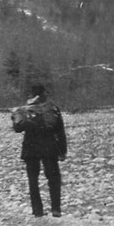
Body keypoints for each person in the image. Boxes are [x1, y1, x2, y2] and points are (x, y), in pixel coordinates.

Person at [13, 84, 67, 218]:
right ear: (44, 94)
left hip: (31, 148)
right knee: (54, 178)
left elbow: (17, 129)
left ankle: (37, 210)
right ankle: (56, 209)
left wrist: (16, 118)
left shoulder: (24, 110)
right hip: (49, 147)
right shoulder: (53, 108)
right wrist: (62, 150)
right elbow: (60, 130)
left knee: (33, 180)